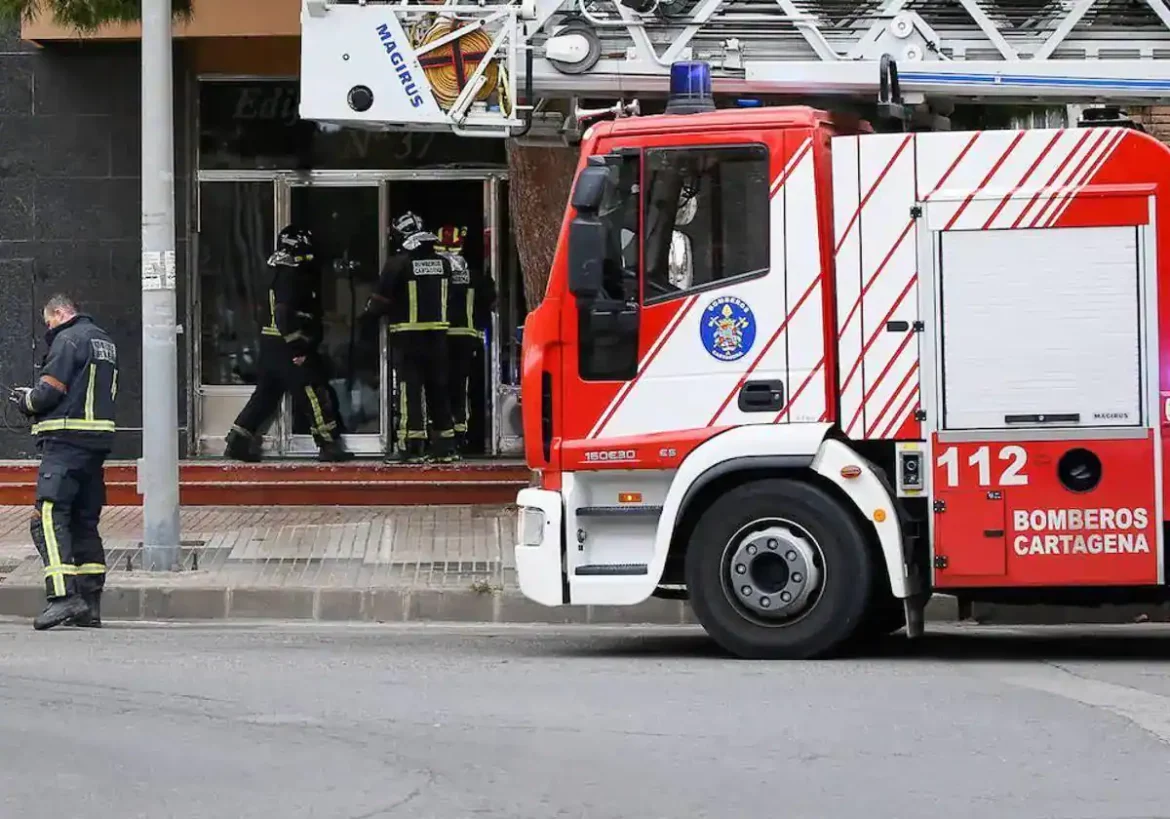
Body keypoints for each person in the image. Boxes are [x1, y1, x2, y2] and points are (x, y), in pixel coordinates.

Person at [8, 295, 117, 631]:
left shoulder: (68, 339)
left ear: (59, 313)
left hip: (65, 442)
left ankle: (62, 597)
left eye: (49, 322)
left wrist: (26, 400)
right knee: (84, 521)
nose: (49, 328)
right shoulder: (104, 341)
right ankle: (90, 604)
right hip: (95, 445)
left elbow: (49, 391)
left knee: (47, 517)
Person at [224, 225, 352, 463]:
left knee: (265, 397)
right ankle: (328, 444)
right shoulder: (291, 275)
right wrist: (299, 346)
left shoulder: (273, 272)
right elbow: (283, 314)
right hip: (288, 346)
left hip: (270, 345)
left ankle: (238, 441)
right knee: (312, 392)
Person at [362, 211, 457, 464]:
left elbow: (379, 302)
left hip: (408, 339)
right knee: (438, 389)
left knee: (409, 391)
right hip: (438, 339)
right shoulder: (444, 263)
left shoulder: (397, 264)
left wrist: (366, 319)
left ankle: (411, 446)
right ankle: (445, 446)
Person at [436, 225, 497, 455]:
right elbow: (490, 300)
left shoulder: (436, 275)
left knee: (441, 386)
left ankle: (445, 435)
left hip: (441, 337)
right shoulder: (477, 276)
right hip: (467, 339)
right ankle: (462, 435)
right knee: (463, 387)